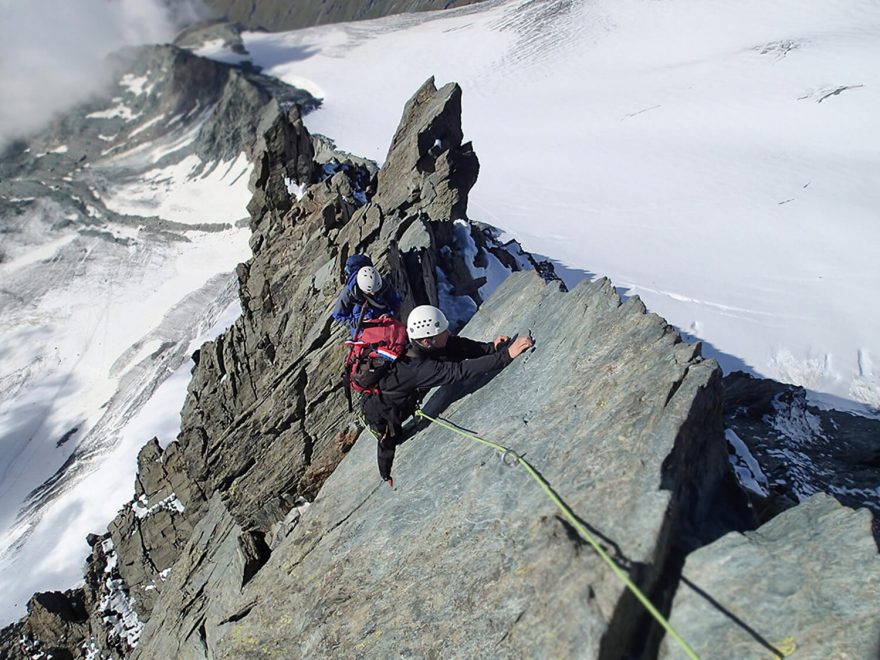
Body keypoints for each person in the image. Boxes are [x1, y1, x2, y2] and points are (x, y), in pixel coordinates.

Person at [361, 304, 534, 487]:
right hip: (381, 411)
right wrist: (505, 356)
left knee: (448, 350)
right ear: (427, 341)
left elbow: (456, 345)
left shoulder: (422, 344)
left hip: (403, 390)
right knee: (391, 436)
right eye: (442, 331)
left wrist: (490, 348)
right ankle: (384, 475)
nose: (448, 332)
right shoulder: (418, 370)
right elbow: (459, 371)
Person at [332, 259, 401, 333]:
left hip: (383, 323)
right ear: (361, 288)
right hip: (362, 330)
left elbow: (396, 302)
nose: (373, 294)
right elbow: (338, 316)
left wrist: (389, 314)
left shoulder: (383, 285)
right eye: (370, 292)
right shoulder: (348, 293)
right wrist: (356, 322)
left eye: (375, 291)